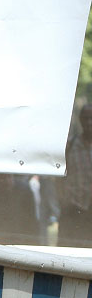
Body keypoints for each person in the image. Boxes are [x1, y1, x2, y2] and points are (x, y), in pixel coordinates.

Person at [58, 104, 92, 247]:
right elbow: (59, 178)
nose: (89, 122)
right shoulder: (70, 146)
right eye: (86, 118)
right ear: (80, 120)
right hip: (73, 211)